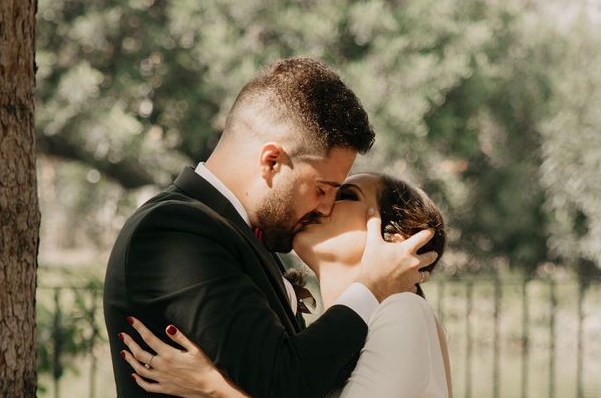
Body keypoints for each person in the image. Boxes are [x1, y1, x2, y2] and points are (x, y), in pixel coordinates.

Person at [104, 57, 438, 397]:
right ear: (272, 162)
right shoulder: (174, 232)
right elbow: (284, 382)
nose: (325, 207)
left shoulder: (241, 235)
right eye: (322, 189)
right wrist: (370, 287)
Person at [118, 173, 451, 398]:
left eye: (346, 195)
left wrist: (213, 388)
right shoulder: (331, 339)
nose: (324, 203)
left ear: (395, 238)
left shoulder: (403, 313)